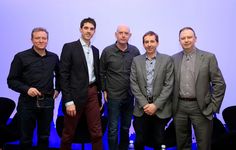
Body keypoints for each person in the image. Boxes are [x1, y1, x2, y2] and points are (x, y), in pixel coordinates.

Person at [172, 27, 226, 150]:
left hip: (201, 107)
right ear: (179, 40)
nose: (186, 40)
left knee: (204, 145)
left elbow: (220, 84)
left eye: (189, 37)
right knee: (182, 145)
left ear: (195, 39)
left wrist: (213, 107)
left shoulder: (208, 57)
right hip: (179, 107)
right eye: (183, 38)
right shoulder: (173, 59)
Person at [7, 27, 60, 150]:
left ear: (47, 40)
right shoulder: (20, 57)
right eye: (37, 38)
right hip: (27, 103)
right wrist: (26, 89)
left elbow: (60, 75)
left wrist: (58, 89)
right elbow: (11, 80)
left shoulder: (54, 57)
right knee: (25, 138)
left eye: (44, 38)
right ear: (31, 40)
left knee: (44, 137)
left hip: (47, 102)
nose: (41, 41)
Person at [59, 17, 103, 150]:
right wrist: (68, 101)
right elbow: (63, 75)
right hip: (74, 95)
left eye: (91, 29)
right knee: (68, 133)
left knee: (96, 132)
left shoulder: (95, 50)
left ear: (94, 31)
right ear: (80, 29)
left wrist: (99, 97)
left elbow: (97, 74)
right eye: (86, 28)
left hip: (92, 93)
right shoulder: (69, 47)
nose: (88, 31)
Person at [130, 31, 174, 150]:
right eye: (146, 42)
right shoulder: (136, 60)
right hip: (141, 109)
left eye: (152, 41)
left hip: (160, 109)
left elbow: (169, 85)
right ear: (143, 44)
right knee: (139, 141)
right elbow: (133, 84)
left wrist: (156, 105)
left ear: (157, 43)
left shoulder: (167, 60)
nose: (149, 44)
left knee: (158, 141)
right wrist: (145, 104)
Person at [100, 24, 140, 150]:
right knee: (112, 128)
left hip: (129, 96)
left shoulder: (135, 51)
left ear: (130, 35)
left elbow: (138, 72)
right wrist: (104, 89)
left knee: (125, 127)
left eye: (126, 33)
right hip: (113, 96)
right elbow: (101, 72)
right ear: (116, 34)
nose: (123, 35)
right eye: (120, 33)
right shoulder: (107, 51)